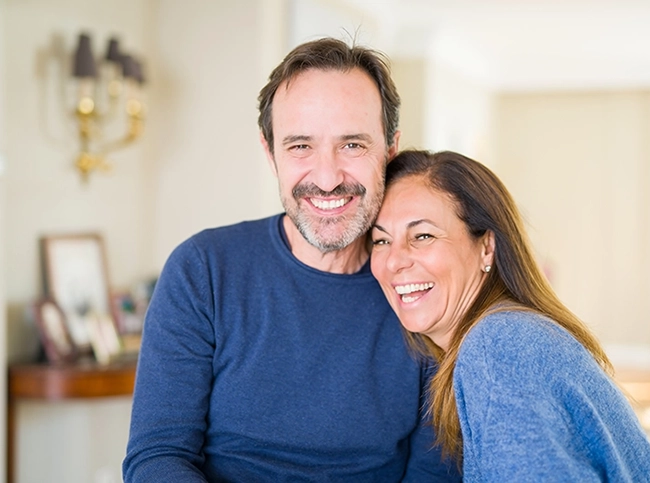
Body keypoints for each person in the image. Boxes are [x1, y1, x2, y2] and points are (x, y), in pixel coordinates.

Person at [123, 40, 459, 482]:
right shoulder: (202, 270)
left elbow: (433, 475)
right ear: (271, 153)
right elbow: (157, 457)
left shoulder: (422, 288)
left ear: (390, 150)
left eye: (353, 145)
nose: (326, 177)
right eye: (301, 146)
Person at [370, 150, 650, 482]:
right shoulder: (506, 337)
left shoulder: (497, 345)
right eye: (381, 240)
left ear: (487, 246)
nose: (394, 261)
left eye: (423, 236)